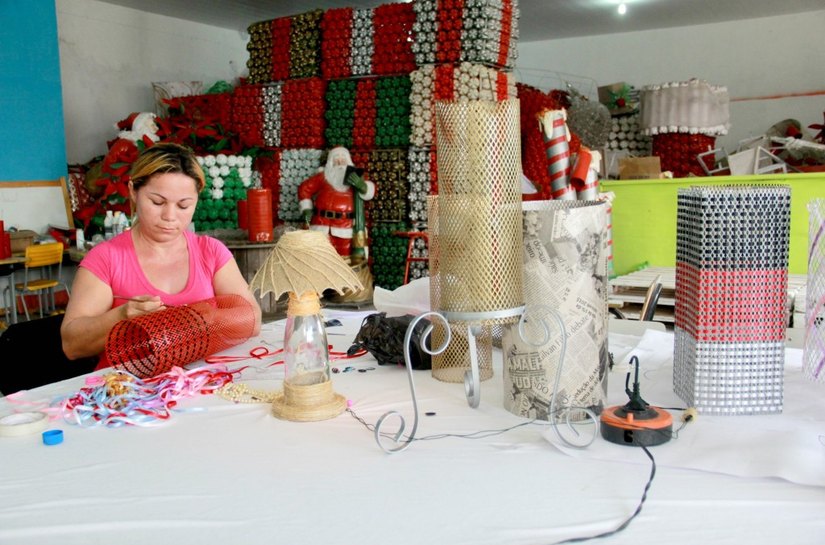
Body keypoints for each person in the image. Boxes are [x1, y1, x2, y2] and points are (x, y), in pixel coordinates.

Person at [61, 142, 262, 363]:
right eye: (157, 202)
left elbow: (252, 319)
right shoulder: (106, 258)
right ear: (133, 192)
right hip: (130, 391)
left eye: (183, 206)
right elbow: (72, 344)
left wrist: (201, 318)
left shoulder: (211, 252)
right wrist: (120, 317)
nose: (169, 216)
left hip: (200, 384)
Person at [298, 147, 375, 260]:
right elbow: (305, 188)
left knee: (345, 260)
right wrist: (306, 208)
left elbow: (368, 190)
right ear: (330, 161)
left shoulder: (355, 177)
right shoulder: (323, 176)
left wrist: (362, 186)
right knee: (320, 259)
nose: (339, 162)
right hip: (321, 226)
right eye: (336, 158)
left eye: (342, 158)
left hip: (345, 228)